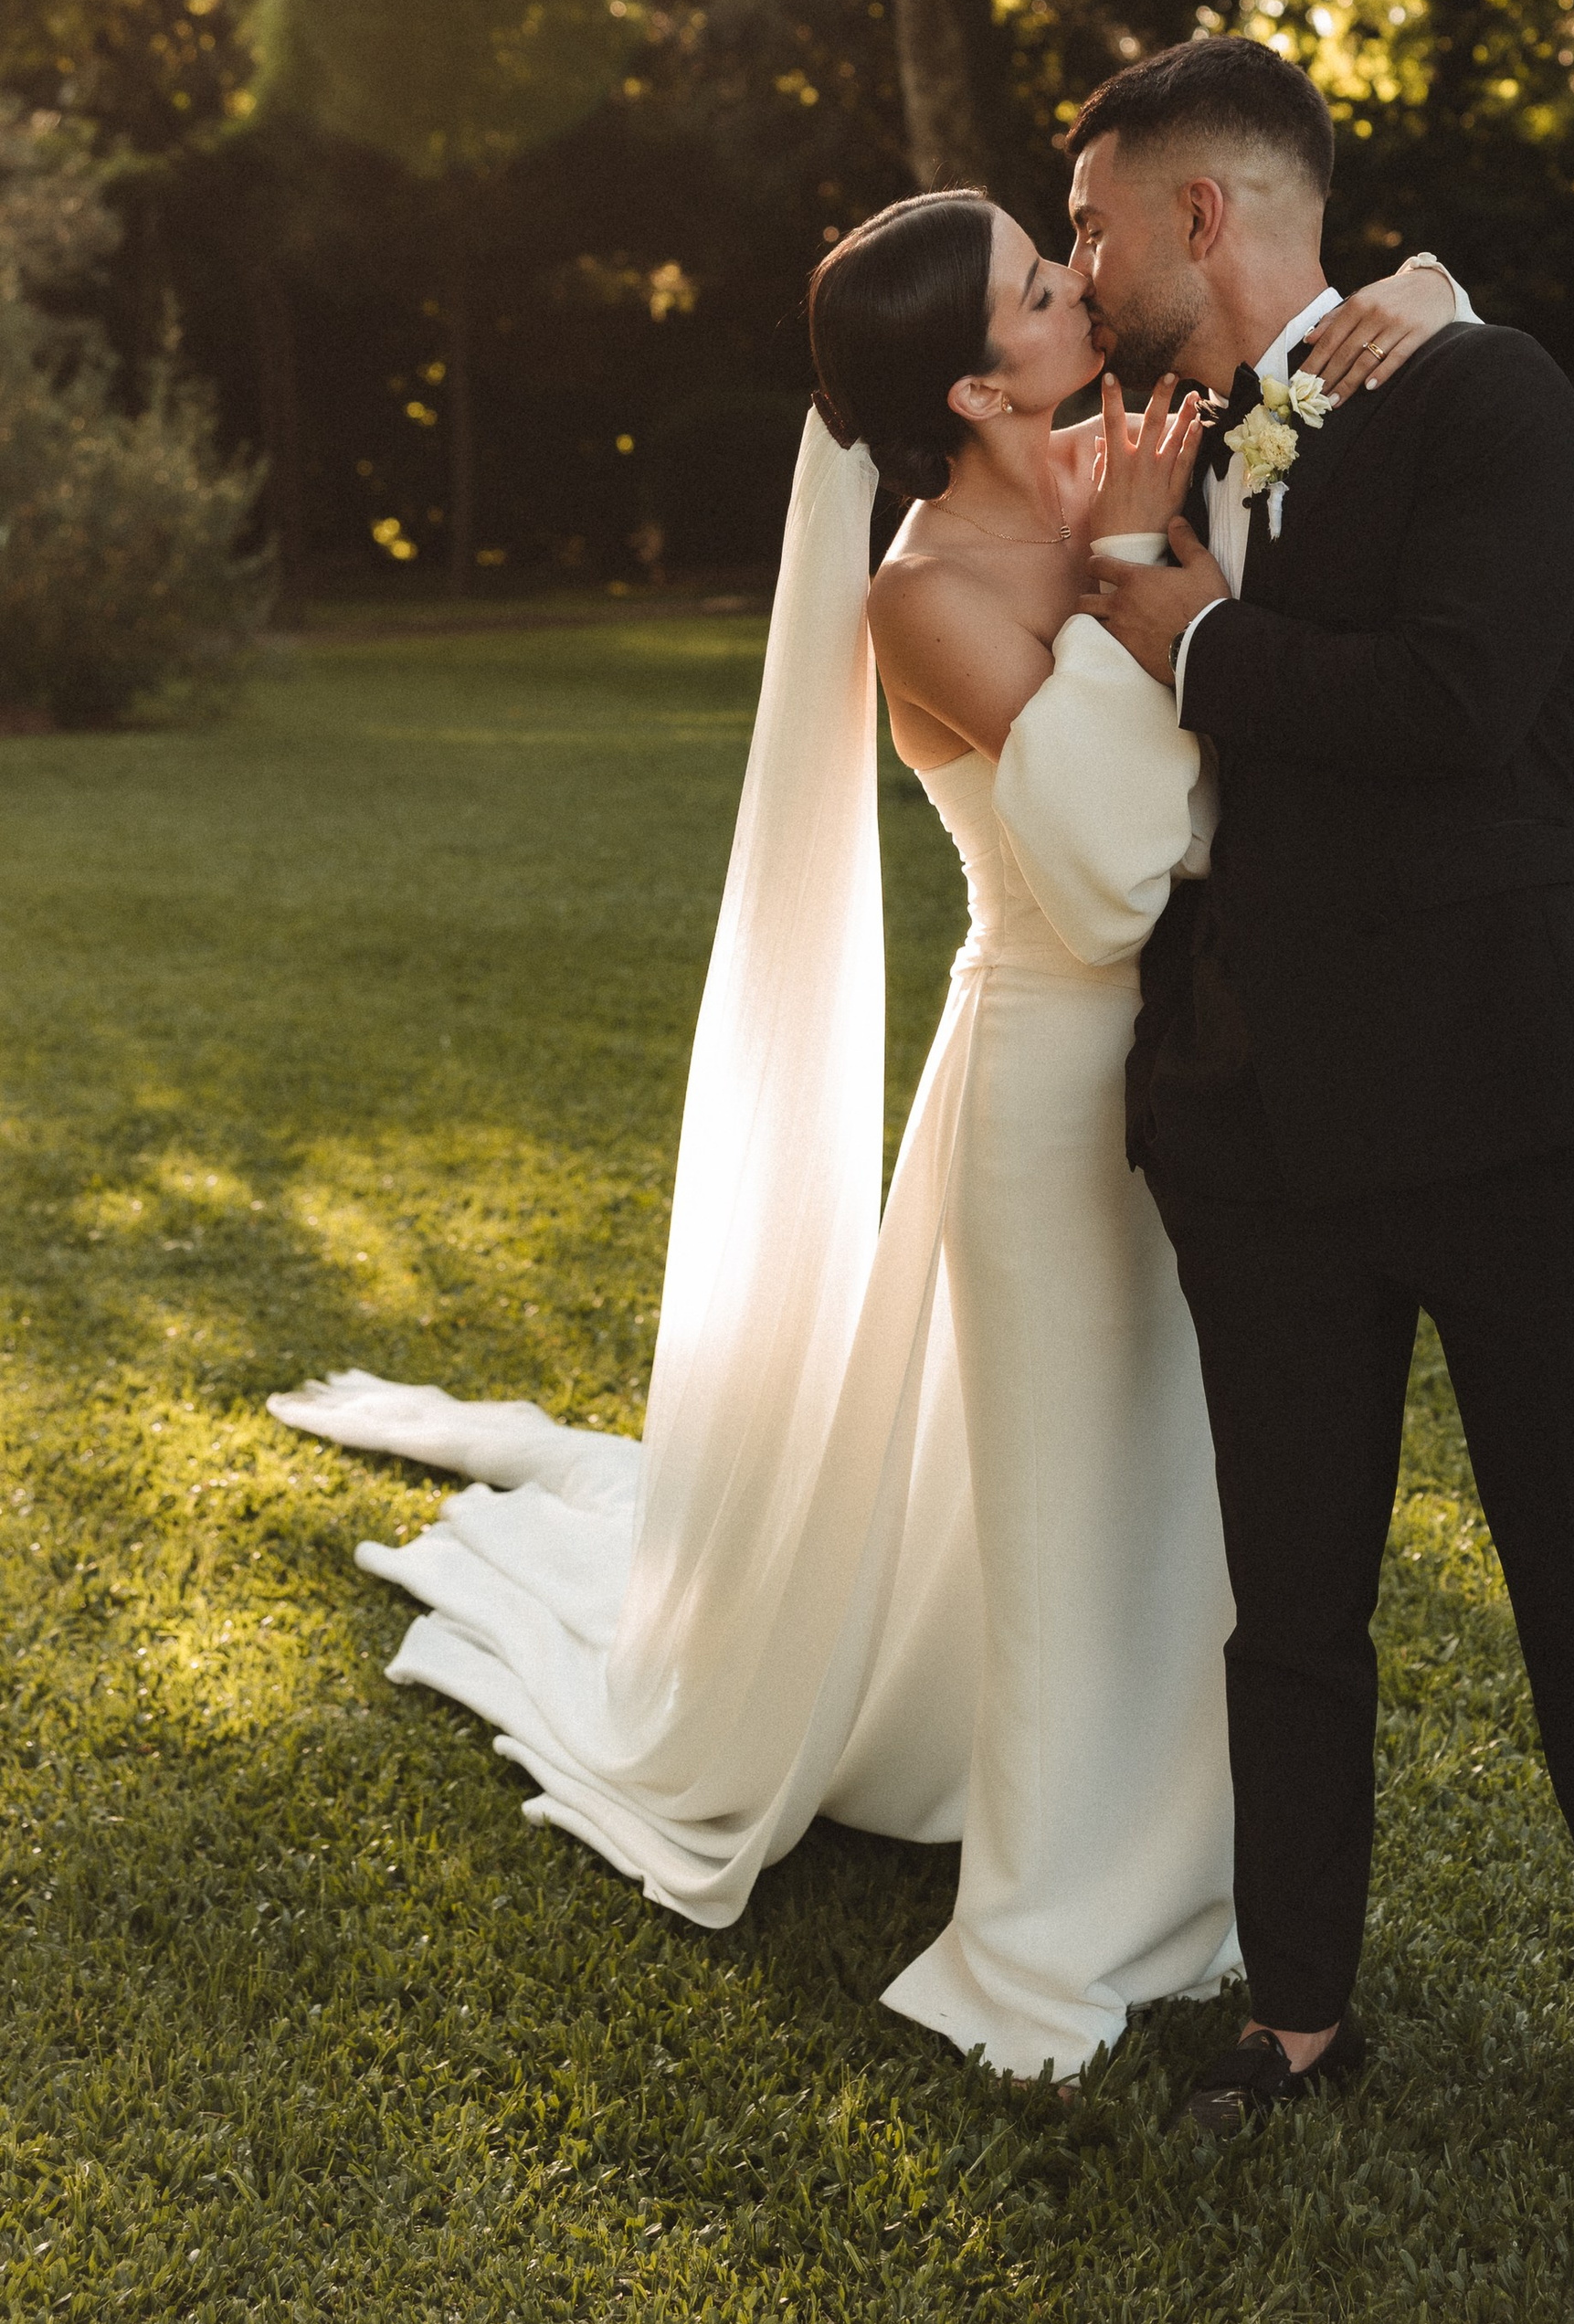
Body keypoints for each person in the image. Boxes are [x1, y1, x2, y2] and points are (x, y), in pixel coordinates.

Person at [270, 186, 1455, 2085]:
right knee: (1075, 1490)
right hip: (1051, 1083)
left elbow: (1304, 393)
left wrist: (1409, 296)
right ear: (978, 384)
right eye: (1037, 284)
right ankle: (1074, 1901)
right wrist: (1137, 559)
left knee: (1179, 1479)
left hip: (1207, 1076)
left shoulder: (1107, 458)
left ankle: (1194, 1829)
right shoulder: (921, 593)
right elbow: (1107, 868)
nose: (1081, 290)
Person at [1073, 37, 1574, 2208]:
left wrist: (1199, 639)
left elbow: (1460, 709)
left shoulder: (1486, 398)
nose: (1076, 275)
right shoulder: (1146, 450)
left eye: (1093, 229)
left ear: (1202, 216)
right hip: (1255, 1122)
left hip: (1501, 1095)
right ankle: (1296, 2004)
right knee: (1293, 1596)